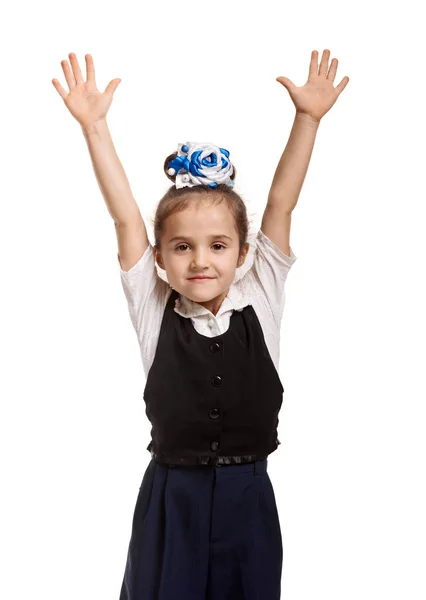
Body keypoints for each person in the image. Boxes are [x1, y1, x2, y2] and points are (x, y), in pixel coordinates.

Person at [52, 49, 349, 600]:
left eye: (218, 246)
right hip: (173, 495)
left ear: (243, 253)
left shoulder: (261, 294)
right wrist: (95, 127)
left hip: (248, 494)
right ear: (160, 256)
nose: (200, 262)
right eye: (181, 247)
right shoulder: (153, 303)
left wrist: (307, 119)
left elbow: (281, 206)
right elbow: (124, 216)